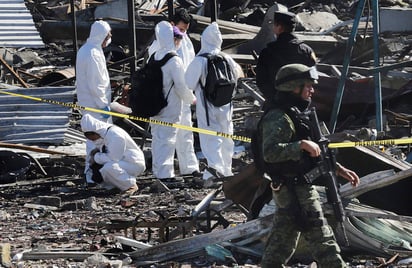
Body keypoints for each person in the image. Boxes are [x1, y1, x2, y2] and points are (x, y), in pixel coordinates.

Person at [256, 63, 360, 267]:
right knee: (320, 234)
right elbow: (270, 153)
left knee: (283, 239)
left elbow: (316, 153)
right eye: (308, 86)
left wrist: (338, 169)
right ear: (294, 87)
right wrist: (300, 145)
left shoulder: (295, 114)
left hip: (294, 186)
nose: (312, 90)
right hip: (293, 186)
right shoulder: (279, 117)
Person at [185, 22, 242, 183]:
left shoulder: (200, 60)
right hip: (226, 105)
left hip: (207, 106)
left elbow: (188, 83)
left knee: (211, 139)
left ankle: (214, 172)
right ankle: (227, 169)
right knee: (226, 137)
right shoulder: (228, 59)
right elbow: (236, 78)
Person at [148, 9, 201, 178]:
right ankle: (163, 173)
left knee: (185, 134)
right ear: (172, 25)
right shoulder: (158, 48)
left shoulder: (185, 42)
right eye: (181, 30)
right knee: (164, 138)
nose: (182, 34)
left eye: (185, 30)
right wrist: (190, 96)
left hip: (181, 97)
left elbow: (191, 65)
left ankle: (189, 167)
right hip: (168, 98)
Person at [76, 20, 113, 184]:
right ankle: (94, 177)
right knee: (98, 142)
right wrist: (103, 105)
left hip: (89, 105)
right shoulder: (93, 54)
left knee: (93, 141)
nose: (110, 38)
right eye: (108, 35)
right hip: (96, 106)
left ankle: (92, 175)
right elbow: (96, 84)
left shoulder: (86, 49)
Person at [256, 10, 317, 110]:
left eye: (274, 25)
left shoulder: (267, 52)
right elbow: (312, 77)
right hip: (300, 104)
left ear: (279, 27)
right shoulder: (307, 50)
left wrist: (273, 97)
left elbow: (261, 81)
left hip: (275, 104)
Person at [80, 114, 146, 195]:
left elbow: (113, 158)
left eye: (93, 138)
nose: (93, 140)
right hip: (124, 161)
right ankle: (116, 187)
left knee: (109, 167)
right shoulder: (104, 134)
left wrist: (96, 157)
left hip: (134, 163)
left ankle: (130, 185)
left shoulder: (115, 135)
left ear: (95, 132)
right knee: (103, 170)